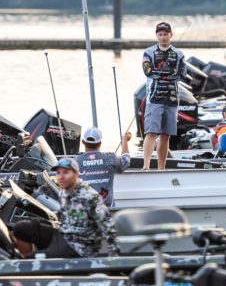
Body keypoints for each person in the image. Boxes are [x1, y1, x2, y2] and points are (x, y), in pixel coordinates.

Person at [12, 158, 118, 259]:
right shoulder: (64, 192)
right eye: (58, 173)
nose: (61, 177)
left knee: (29, 259)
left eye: (66, 172)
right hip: (62, 234)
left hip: (76, 246)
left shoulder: (89, 196)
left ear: (76, 174)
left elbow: (107, 224)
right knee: (22, 228)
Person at [142, 22, 187, 171]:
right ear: (156, 35)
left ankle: (162, 168)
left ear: (171, 35)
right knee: (151, 132)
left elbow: (182, 74)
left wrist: (161, 73)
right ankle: (146, 166)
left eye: (165, 34)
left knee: (166, 135)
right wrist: (168, 73)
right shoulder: (148, 52)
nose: (163, 37)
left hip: (172, 99)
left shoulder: (179, 54)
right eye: (160, 34)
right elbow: (148, 71)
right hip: (155, 98)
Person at [75, 127, 131, 207]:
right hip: (108, 211)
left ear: (83, 142)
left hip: (86, 212)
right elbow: (126, 161)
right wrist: (125, 140)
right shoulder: (111, 158)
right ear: (100, 143)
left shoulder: (76, 161)